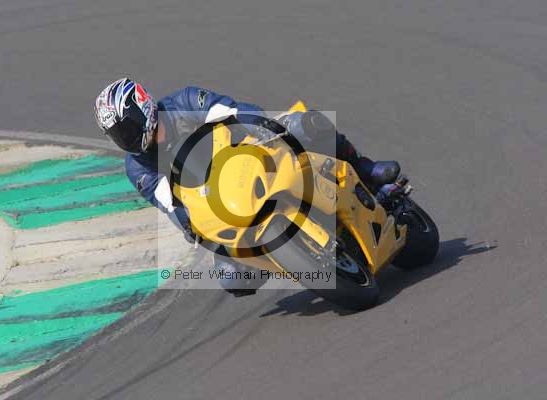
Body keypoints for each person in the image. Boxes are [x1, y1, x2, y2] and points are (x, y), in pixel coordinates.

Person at [95, 78, 401, 296]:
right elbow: (169, 203)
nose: (126, 138)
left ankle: (365, 168)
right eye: (117, 134)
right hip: (220, 204)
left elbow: (234, 111)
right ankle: (290, 259)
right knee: (232, 278)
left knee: (305, 123)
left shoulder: (185, 102)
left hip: (249, 155)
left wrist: (258, 123)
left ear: (143, 106)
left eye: (127, 127)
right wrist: (189, 226)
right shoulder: (137, 167)